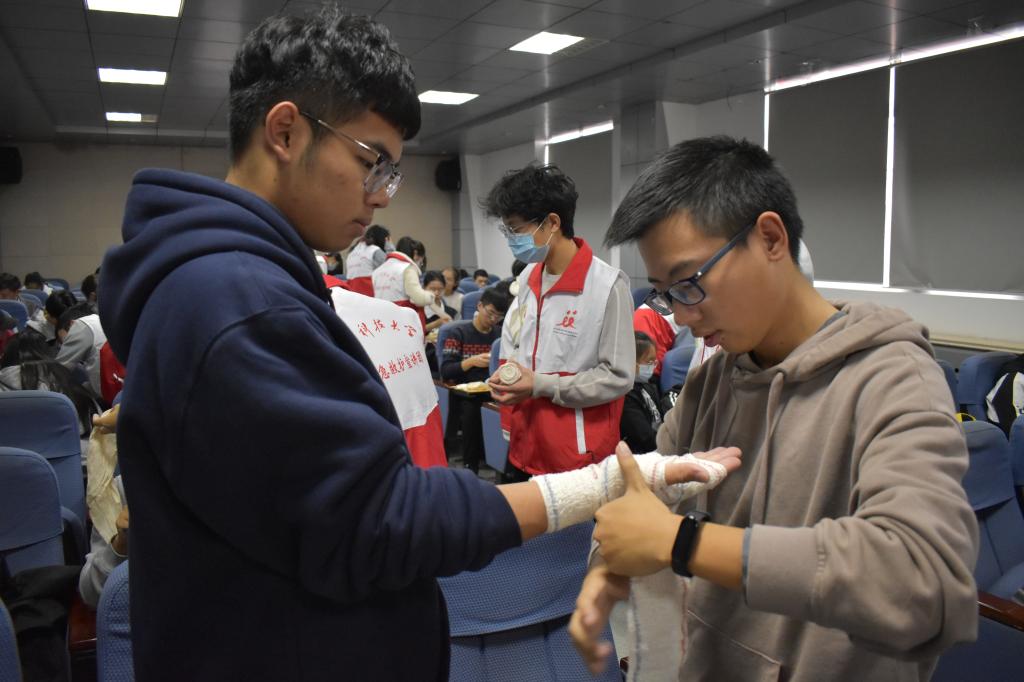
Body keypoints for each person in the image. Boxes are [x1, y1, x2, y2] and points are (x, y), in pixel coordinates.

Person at [95, 10, 725, 680]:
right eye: (372, 163)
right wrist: (599, 486)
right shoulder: (237, 301)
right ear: (285, 132)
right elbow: (381, 520)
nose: (381, 197)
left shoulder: (238, 283)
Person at [570, 136, 980, 681]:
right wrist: (614, 565)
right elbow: (645, 507)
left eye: (690, 283)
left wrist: (682, 543)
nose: (682, 317)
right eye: (666, 293)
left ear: (769, 238)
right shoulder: (711, 381)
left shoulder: (894, 379)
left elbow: (921, 584)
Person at [484, 164, 634, 478]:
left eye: (516, 230)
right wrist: (509, 377)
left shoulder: (607, 286)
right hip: (525, 443)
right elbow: (519, 346)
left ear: (553, 222)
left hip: (576, 456)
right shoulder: (528, 278)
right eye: (507, 231)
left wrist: (541, 385)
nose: (511, 240)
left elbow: (618, 377)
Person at [440, 287, 510, 473]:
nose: (493, 319)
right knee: (471, 408)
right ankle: (470, 465)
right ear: (479, 306)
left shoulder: (500, 335)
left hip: (492, 387)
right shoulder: (458, 333)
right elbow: (446, 370)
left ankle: (503, 466)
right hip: (464, 390)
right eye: (490, 313)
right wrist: (471, 361)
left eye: (499, 316)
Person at [372, 235, 433, 330]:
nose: (421, 263)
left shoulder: (377, 271)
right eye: (421, 259)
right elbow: (419, 299)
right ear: (416, 254)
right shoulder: (408, 268)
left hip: (382, 319)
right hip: (403, 321)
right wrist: (431, 296)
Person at [619, 331, 663, 453]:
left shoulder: (649, 386)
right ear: (632, 362)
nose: (653, 366)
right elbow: (645, 437)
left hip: (661, 445)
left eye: (654, 362)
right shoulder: (625, 396)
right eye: (649, 362)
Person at [54, 301, 108, 399]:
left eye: (65, 341)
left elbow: (58, 371)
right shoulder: (100, 320)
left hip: (111, 393)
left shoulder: (80, 325)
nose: (65, 347)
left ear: (71, 324)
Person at [345, 223, 389, 296]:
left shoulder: (351, 252)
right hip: (371, 295)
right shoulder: (375, 251)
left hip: (353, 294)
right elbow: (390, 271)